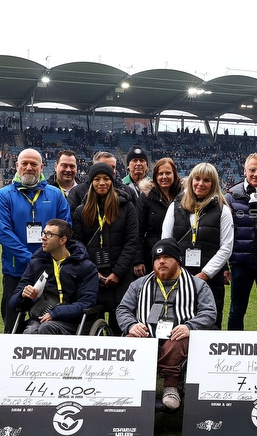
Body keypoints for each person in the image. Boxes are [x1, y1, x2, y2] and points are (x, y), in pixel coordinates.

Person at [117, 238, 217, 410]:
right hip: (146, 333)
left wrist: (189, 327)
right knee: (132, 341)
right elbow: (123, 309)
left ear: (178, 261)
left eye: (167, 257)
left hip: (179, 335)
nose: (161, 261)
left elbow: (209, 312)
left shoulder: (197, 285)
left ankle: (171, 387)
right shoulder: (138, 285)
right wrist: (132, 325)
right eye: (157, 259)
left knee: (176, 343)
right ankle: (134, 386)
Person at [0, 148, 71, 332]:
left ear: (41, 167)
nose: (29, 167)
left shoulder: (56, 195)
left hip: (51, 271)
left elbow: (65, 228)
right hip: (16, 271)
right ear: (17, 166)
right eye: (24, 163)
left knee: (48, 322)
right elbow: (4, 234)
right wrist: (32, 261)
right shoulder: (3, 196)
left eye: (33, 164)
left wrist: (43, 262)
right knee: (12, 324)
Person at [161, 162, 234, 325]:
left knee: (209, 326)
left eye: (207, 180)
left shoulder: (223, 210)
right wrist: (177, 272)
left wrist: (204, 275)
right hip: (177, 277)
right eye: (197, 178)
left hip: (209, 280)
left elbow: (226, 248)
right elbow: (166, 242)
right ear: (191, 180)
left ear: (213, 184)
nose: (200, 184)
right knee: (175, 325)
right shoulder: (175, 207)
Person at [72, 162, 140, 334]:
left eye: (106, 178)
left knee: (121, 329)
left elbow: (132, 242)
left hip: (121, 278)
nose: (101, 182)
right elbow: (77, 246)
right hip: (92, 279)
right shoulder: (81, 211)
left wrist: (117, 273)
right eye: (96, 179)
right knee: (90, 330)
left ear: (112, 181)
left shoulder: (126, 207)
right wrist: (93, 274)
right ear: (91, 182)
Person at [10, 219, 99, 334]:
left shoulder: (85, 267)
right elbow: (12, 303)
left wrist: (56, 313)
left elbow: (86, 303)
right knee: (31, 331)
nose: (43, 237)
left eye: (49, 235)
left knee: (46, 328)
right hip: (40, 318)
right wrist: (23, 294)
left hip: (73, 323)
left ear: (63, 240)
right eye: (44, 233)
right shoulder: (36, 263)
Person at [225, 153, 257, 330]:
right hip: (241, 263)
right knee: (237, 309)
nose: (256, 174)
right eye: (252, 170)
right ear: (245, 171)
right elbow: (224, 234)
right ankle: (233, 347)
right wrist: (226, 265)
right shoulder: (231, 197)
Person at [136, 157, 181, 277]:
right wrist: (138, 260)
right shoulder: (146, 197)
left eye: (168, 173)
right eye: (160, 173)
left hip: (180, 253)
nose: (164, 177)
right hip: (153, 255)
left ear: (175, 174)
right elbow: (138, 230)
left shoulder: (185, 197)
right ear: (155, 176)